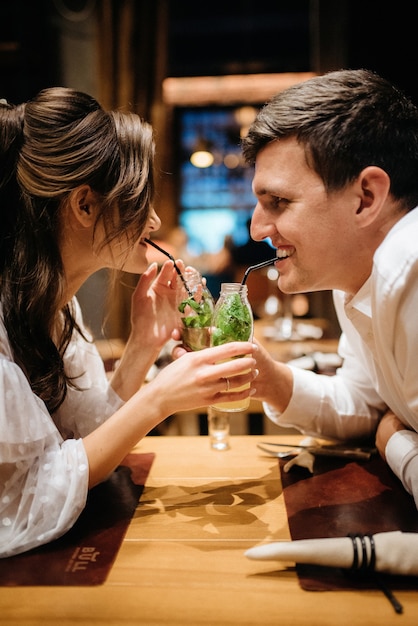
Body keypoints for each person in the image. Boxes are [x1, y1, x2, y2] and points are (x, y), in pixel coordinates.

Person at [0, 88, 256, 557]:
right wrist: (160, 398)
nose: (155, 221)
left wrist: (143, 345)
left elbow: (81, 442)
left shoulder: (60, 311)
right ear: (84, 205)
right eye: (140, 201)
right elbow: (24, 502)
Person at [240, 68, 418, 508]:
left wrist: (392, 438)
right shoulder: (359, 277)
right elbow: (365, 401)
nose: (257, 227)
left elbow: (381, 421)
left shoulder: (408, 269)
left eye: (278, 202)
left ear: (365, 198)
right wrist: (270, 380)